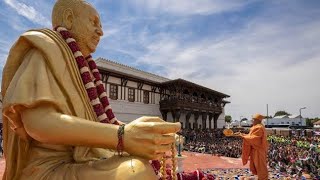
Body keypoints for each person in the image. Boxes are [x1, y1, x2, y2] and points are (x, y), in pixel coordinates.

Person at [1, 0, 180, 179]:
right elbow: (38, 123)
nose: (101, 32)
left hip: (83, 161)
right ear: (69, 19)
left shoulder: (84, 70)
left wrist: (148, 132)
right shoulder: (45, 50)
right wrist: (122, 137)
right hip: (48, 168)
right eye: (94, 22)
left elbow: (103, 121)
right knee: (135, 172)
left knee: (136, 165)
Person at [237, 113, 269, 180]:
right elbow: (250, 136)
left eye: (253, 120)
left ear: (258, 120)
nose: (252, 121)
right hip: (255, 150)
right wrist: (241, 134)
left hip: (259, 150)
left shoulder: (259, 127)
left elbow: (254, 138)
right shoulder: (255, 127)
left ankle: (263, 178)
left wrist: (242, 136)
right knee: (257, 166)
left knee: (261, 166)